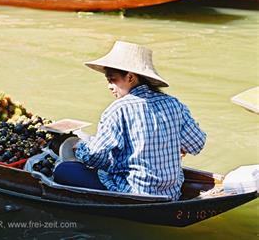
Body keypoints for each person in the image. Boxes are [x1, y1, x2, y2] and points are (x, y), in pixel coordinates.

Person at [53, 41, 206, 200]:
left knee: (63, 170)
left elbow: (95, 157)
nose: (109, 86)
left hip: (132, 192)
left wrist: (80, 147)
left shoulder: (118, 109)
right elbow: (196, 144)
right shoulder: (174, 104)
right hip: (171, 193)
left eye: (112, 80)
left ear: (131, 77)